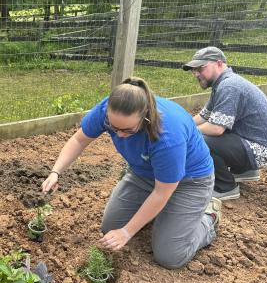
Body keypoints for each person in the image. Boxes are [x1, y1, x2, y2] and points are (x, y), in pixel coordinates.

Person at [42, 77, 221, 269]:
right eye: (113, 128)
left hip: (189, 182)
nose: (119, 135)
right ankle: (166, 218)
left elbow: (162, 192)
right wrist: (56, 172)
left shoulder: (167, 135)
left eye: (127, 130)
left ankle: (208, 218)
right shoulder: (111, 110)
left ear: (145, 117)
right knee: (111, 229)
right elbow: (79, 140)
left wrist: (127, 233)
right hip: (144, 175)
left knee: (169, 256)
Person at [183, 46, 267, 200]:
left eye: (200, 68)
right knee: (199, 133)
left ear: (219, 63)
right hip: (259, 142)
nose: (196, 73)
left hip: (265, 149)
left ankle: (225, 187)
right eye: (194, 69)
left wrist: (185, 134)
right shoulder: (222, 83)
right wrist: (181, 126)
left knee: (198, 140)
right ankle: (245, 171)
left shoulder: (229, 86)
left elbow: (216, 128)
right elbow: (204, 116)